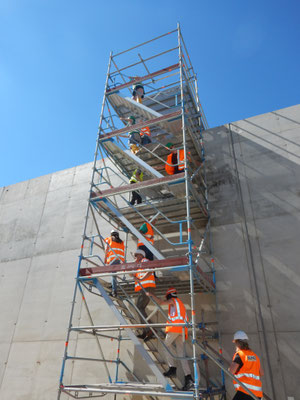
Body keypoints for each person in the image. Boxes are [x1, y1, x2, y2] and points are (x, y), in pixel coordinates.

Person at [147, 287, 194, 391]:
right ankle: (188, 378)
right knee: (181, 354)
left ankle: (172, 367)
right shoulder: (179, 303)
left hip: (175, 328)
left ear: (169, 295)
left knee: (166, 345)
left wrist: (151, 295)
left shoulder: (173, 301)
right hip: (182, 330)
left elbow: (161, 302)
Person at [229, 331, 264, 400]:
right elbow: (261, 373)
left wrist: (229, 368)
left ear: (237, 343)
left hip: (245, 391)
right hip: (257, 394)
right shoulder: (254, 355)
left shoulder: (240, 355)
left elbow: (231, 371)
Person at [132, 249, 156, 341]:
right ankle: (146, 330)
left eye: (138, 255)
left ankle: (150, 329)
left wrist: (141, 280)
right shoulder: (138, 266)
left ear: (141, 256)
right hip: (143, 288)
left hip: (146, 287)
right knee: (140, 308)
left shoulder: (144, 261)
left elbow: (150, 271)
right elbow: (132, 275)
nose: (136, 257)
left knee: (139, 308)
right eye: (136, 256)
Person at [104, 230, 125, 297]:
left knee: (113, 275)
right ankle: (113, 285)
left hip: (112, 260)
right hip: (118, 260)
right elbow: (122, 251)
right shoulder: (121, 241)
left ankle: (114, 292)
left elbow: (106, 250)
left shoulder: (109, 239)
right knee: (113, 274)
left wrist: (105, 259)